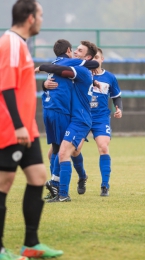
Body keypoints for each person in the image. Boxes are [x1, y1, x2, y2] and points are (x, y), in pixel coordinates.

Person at [0, 0, 63, 259]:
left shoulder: (21, 44)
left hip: (28, 128)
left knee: (37, 177)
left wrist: (27, 126)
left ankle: (31, 244)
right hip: (12, 128)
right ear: (29, 18)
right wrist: (17, 126)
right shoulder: (11, 43)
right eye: (40, 15)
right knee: (4, 182)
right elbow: (5, 88)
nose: (42, 19)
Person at [35, 41, 98, 202]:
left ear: (87, 57)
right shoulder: (79, 70)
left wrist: (43, 67)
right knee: (57, 152)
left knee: (63, 152)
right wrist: (45, 84)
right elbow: (59, 76)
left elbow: (59, 69)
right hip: (72, 117)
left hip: (80, 119)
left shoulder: (81, 71)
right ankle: (60, 188)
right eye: (75, 49)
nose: (76, 52)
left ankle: (61, 190)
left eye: (80, 50)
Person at [91, 48, 123, 196]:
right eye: (92, 57)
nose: (94, 60)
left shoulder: (109, 77)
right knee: (74, 150)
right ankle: (82, 176)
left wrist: (119, 108)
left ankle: (105, 185)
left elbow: (116, 96)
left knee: (103, 147)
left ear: (102, 59)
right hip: (82, 116)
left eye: (97, 57)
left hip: (101, 118)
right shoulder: (81, 74)